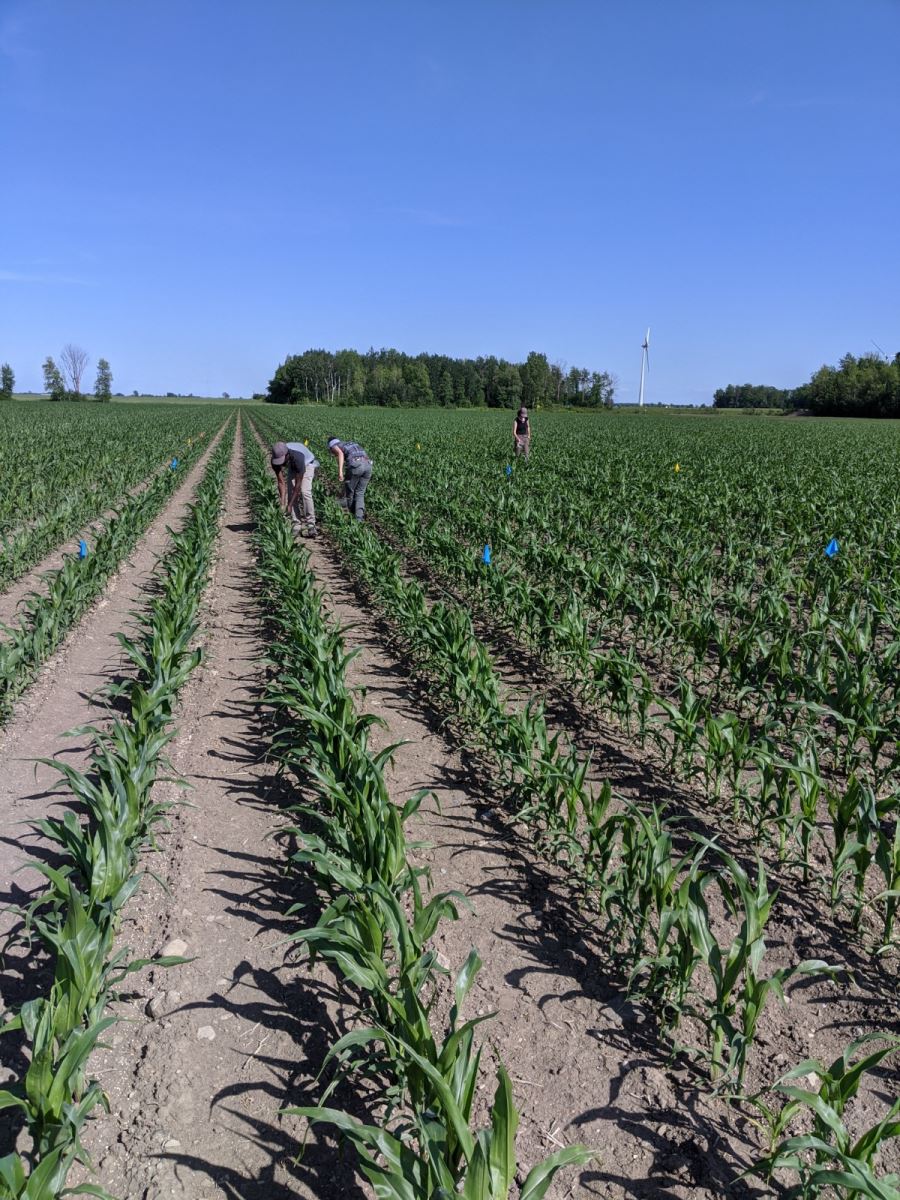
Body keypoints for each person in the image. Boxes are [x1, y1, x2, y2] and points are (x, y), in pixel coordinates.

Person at [271, 440, 319, 537]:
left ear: (287, 455)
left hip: (307, 464)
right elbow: (281, 482)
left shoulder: (298, 457)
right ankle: (296, 524)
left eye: (282, 460)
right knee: (290, 491)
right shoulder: (274, 461)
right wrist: (283, 503)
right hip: (293, 465)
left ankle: (311, 524)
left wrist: (289, 505)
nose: (280, 463)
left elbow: (298, 486)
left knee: (305, 491)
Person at [327, 436, 373, 521]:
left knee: (350, 493)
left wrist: (340, 472)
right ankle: (359, 518)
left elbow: (340, 454)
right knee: (360, 492)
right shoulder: (348, 443)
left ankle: (352, 515)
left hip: (356, 465)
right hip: (368, 465)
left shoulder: (334, 445)